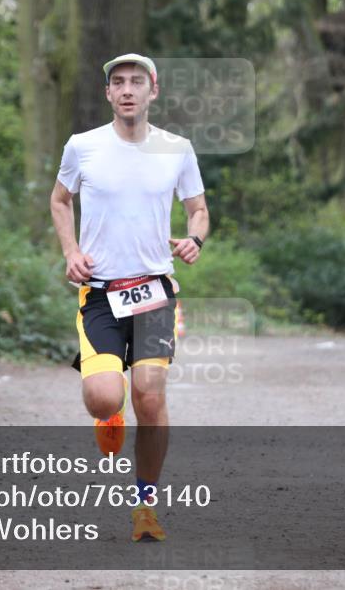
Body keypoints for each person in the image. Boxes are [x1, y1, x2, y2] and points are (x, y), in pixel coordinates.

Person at [49, 53, 209, 542]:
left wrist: (194, 239)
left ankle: (145, 505)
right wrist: (70, 250)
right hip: (99, 294)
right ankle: (109, 411)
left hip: (153, 291)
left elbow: (198, 210)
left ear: (152, 90)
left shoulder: (176, 149)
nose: (127, 90)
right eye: (118, 82)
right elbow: (60, 199)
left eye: (137, 82)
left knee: (150, 394)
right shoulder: (83, 146)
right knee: (104, 398)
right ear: (108, 94)